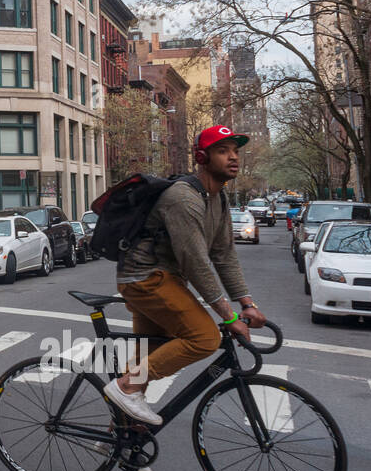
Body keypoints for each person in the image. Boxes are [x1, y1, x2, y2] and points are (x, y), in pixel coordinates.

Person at [108, 125, 269, 426]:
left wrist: (247, 303)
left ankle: (120, 432)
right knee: (205, 338)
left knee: (151, 354)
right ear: (202, 157)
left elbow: (223, 255)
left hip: (165, 280)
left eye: (236, 151)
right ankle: (125, 387)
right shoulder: (184, 198)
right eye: (223, 151)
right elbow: (196, 263)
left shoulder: (218, 199)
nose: (234, 158)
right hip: (145, 278)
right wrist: (229, 317)